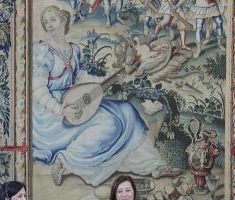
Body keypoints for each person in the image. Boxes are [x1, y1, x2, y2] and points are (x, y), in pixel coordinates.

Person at [32, 5, 164, 187]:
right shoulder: (43, 51)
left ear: (63, 20)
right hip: (51, 113)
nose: (49, 25)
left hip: (74, 98)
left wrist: (110, 78)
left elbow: (81, 79)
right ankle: (66, 159)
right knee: (109, 123)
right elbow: (38, 90)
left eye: (53, 20)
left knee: (126, 110)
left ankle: (150, 164)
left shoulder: (74, 50)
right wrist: (61, 110)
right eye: (45, 22)